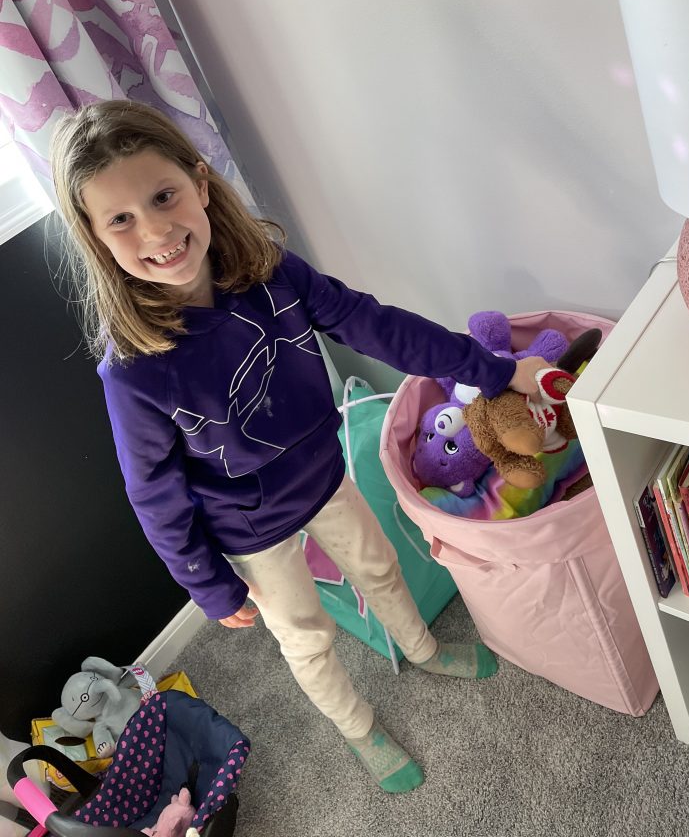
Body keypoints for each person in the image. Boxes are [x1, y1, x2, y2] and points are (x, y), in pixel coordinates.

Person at [50, 100, 551, 794]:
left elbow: (375, 325)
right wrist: (207, 583)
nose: (156, 230)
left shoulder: (270, 274)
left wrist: (491, 370)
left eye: (163, 196)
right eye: (122, 220)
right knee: (307, 635)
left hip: (324, 474)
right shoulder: (132, 370)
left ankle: (424, 649)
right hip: (248, 529)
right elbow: (153, 490)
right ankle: (357, 728)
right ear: (97, 239)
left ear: (200, 183)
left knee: (380, 568)